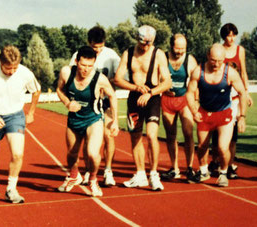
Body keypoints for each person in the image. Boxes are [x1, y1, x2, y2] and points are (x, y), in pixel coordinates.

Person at [0, 45, 41, 203]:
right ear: (0, 62)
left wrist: (31, 112)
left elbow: (36, 90)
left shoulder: (25, 72)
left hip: (15, 116)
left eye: (15, 67)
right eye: (8, 68)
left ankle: (11, 189)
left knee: (17, 153)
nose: (12, 71)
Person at [114, 25, 172, 191]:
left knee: (152, 136)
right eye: (142, 43)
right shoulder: (129, 53)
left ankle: (154, 174)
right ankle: (140, 174)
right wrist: (135, 88)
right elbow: (117, 79)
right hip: (134, 98)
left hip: (152, 98)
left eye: (149, 43)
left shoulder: (159, 54)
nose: (146, 46)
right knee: (135, 136)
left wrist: (150, 92)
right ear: (137, 39)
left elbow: (167, 82)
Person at [56, 46, 119, 196]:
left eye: (90, 66)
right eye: (83, 65)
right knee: (71, 154)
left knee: (92, 153)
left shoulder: (100, 79)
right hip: (74, 120)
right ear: (77, 61)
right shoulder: (66, 72)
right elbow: (59, 90)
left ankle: (92, 179)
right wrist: (67, 103)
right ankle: (74, 176)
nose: (86, 69)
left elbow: (112, 96)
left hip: (93, 119)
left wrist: (115, 120)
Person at [185, 44, 248, 187]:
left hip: (224, 115)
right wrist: (194, 111)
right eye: (213, 60)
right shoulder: (198, 71)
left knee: (222, 148)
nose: (216, 64)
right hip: (204, 114)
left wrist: (242, 116)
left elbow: (242, 92)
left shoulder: (230, 73)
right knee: (201, 146)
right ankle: (203, 171)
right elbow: (189, 92)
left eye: (220, 61)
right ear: (208, 56)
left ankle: (223, 173)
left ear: (224, 59)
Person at [68, 26, 121, 186]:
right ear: (88, 43)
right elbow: (72, 75)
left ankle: (108, 171)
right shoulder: (80, 55)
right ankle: (88, 171)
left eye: (100, 47)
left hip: (104, 100)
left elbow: (120, 77)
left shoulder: (111, 56)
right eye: (94, 47)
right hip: (87, 103)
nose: (97, 50)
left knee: (108, 135)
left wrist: (103, 83)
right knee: (87, 137)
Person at [208, 23, 253, 179]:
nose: (231, 38)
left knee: (232, 134)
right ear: (223, 36)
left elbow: (244, 72)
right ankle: (215, 161)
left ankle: (229, 165)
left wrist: (246, 93)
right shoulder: (218, 50)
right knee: (217, 132)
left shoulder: (240, 51)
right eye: (229, 35)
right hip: (219, 95)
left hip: (235, 95)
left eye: (234, 35)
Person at [159, 34, 198, 181]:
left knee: (188, 132)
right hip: (167, 100)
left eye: (183, 48)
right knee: (171, 135)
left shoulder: (189, 60)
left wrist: (195, 102)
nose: (180, 51)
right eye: (177, 48)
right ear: (171, 45)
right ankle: (174, 168)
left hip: (184, 99)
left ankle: (189, 167)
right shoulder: (162, 57)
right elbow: (155, 78)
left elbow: (195, 82)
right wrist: (162, 88)